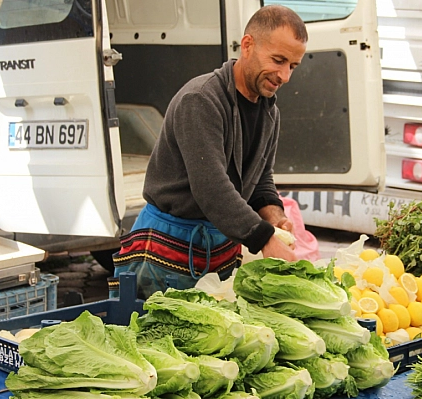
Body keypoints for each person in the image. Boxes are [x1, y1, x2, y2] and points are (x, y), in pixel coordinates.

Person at [111, 5, 308, 298]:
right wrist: (264, 239)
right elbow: (211, 187)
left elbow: (260, 178)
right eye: (278, 60)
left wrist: (274, 216)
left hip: (219, 252)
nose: (285, 76)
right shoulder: (201, 100)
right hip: (166, 253)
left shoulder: (270, 111)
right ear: (248, 45)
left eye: (292, 65)